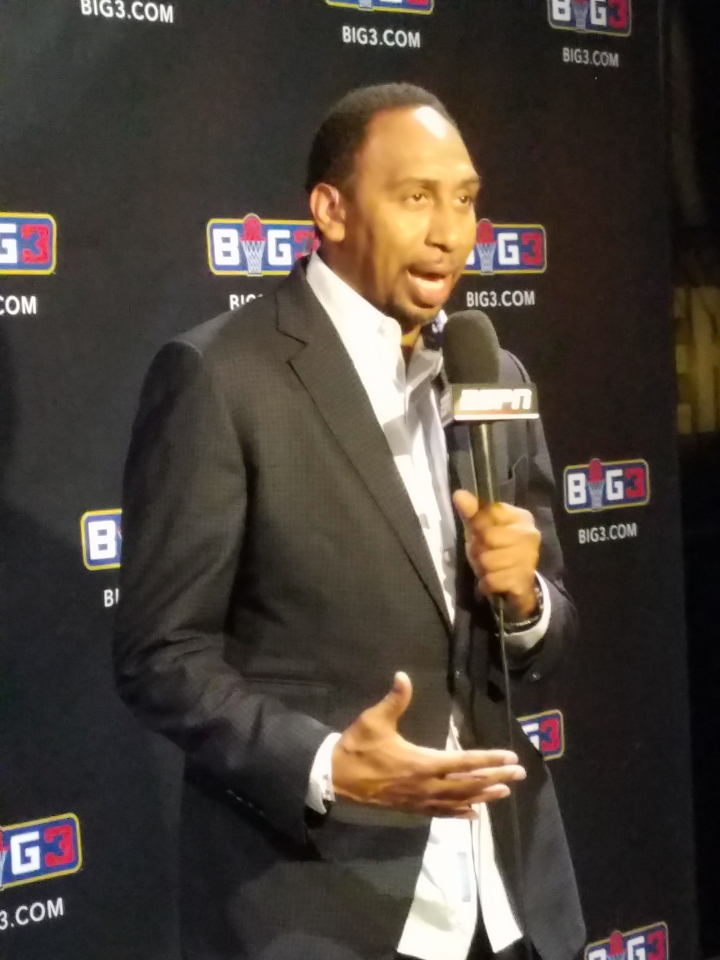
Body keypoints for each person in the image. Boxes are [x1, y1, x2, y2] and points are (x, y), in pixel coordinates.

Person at [114, 83, 585, 960]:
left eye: (467, 199)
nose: (451, 230)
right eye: (415, 197)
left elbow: (548, 633)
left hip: (510, 900)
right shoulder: (222, 376)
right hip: (322, 907)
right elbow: (161, 656)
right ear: (329, 209)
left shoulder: (492, 372)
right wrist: (327, 764)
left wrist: (526, 605)